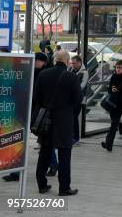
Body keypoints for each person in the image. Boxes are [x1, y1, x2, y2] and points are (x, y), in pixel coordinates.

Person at [35, 49, 81, 196]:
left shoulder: (43, 74)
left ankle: (42, 184)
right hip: (64, 121)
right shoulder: (71, 77)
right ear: (67, 61)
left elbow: (37, 98)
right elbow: (78, 100)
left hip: (46, 120)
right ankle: (64, 187)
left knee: (44, 152)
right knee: (64, 154)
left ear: (55, 60)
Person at [3, 51, 49, 183]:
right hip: (24, 109)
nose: (34, 62)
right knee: (19, 139)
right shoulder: (30, 72)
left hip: (36, 112)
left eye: (37, 60)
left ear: (43, 62)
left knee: (43, 140)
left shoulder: (43, 74)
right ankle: (15, 171)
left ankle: (53, 163)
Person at [69, 55, 89, 144]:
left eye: (74, 63)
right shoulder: (71, 70)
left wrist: (71, 88)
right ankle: (71, 136)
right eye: (72, 63)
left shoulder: (84, 72)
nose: (72, 65)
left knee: (74, 117)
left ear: (80, 62)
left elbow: (82, 86)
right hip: (71, 98)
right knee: (71, 117)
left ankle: (75, 137)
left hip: (79, 99)